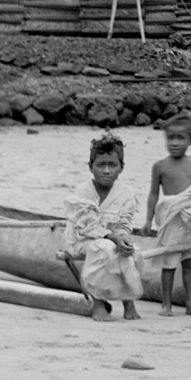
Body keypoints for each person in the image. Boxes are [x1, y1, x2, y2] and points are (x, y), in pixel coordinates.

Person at [64, 133, 147, 321]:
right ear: (91, 168)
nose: (107, 171)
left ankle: (129, 302)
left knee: (132, 252)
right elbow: (86, 226)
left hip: (112, 239)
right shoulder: (83, 191)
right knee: (104, 249)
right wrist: (113, 238)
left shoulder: (126, 193)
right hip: (83, 239)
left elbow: (124, 223)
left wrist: (123, 237)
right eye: (101, 165)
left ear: (121, 168)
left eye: (112, 165)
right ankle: (99, 303)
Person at [141, 118, 191, 316]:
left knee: (190, 262)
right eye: (170, 138)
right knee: (169, 261)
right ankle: (166, 304)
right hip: (171, 215)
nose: (174, 143)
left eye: (180, 138)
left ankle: (190, 304)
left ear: (190, 140)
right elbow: (153, 194)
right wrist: (148, 220)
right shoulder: (159, 166)